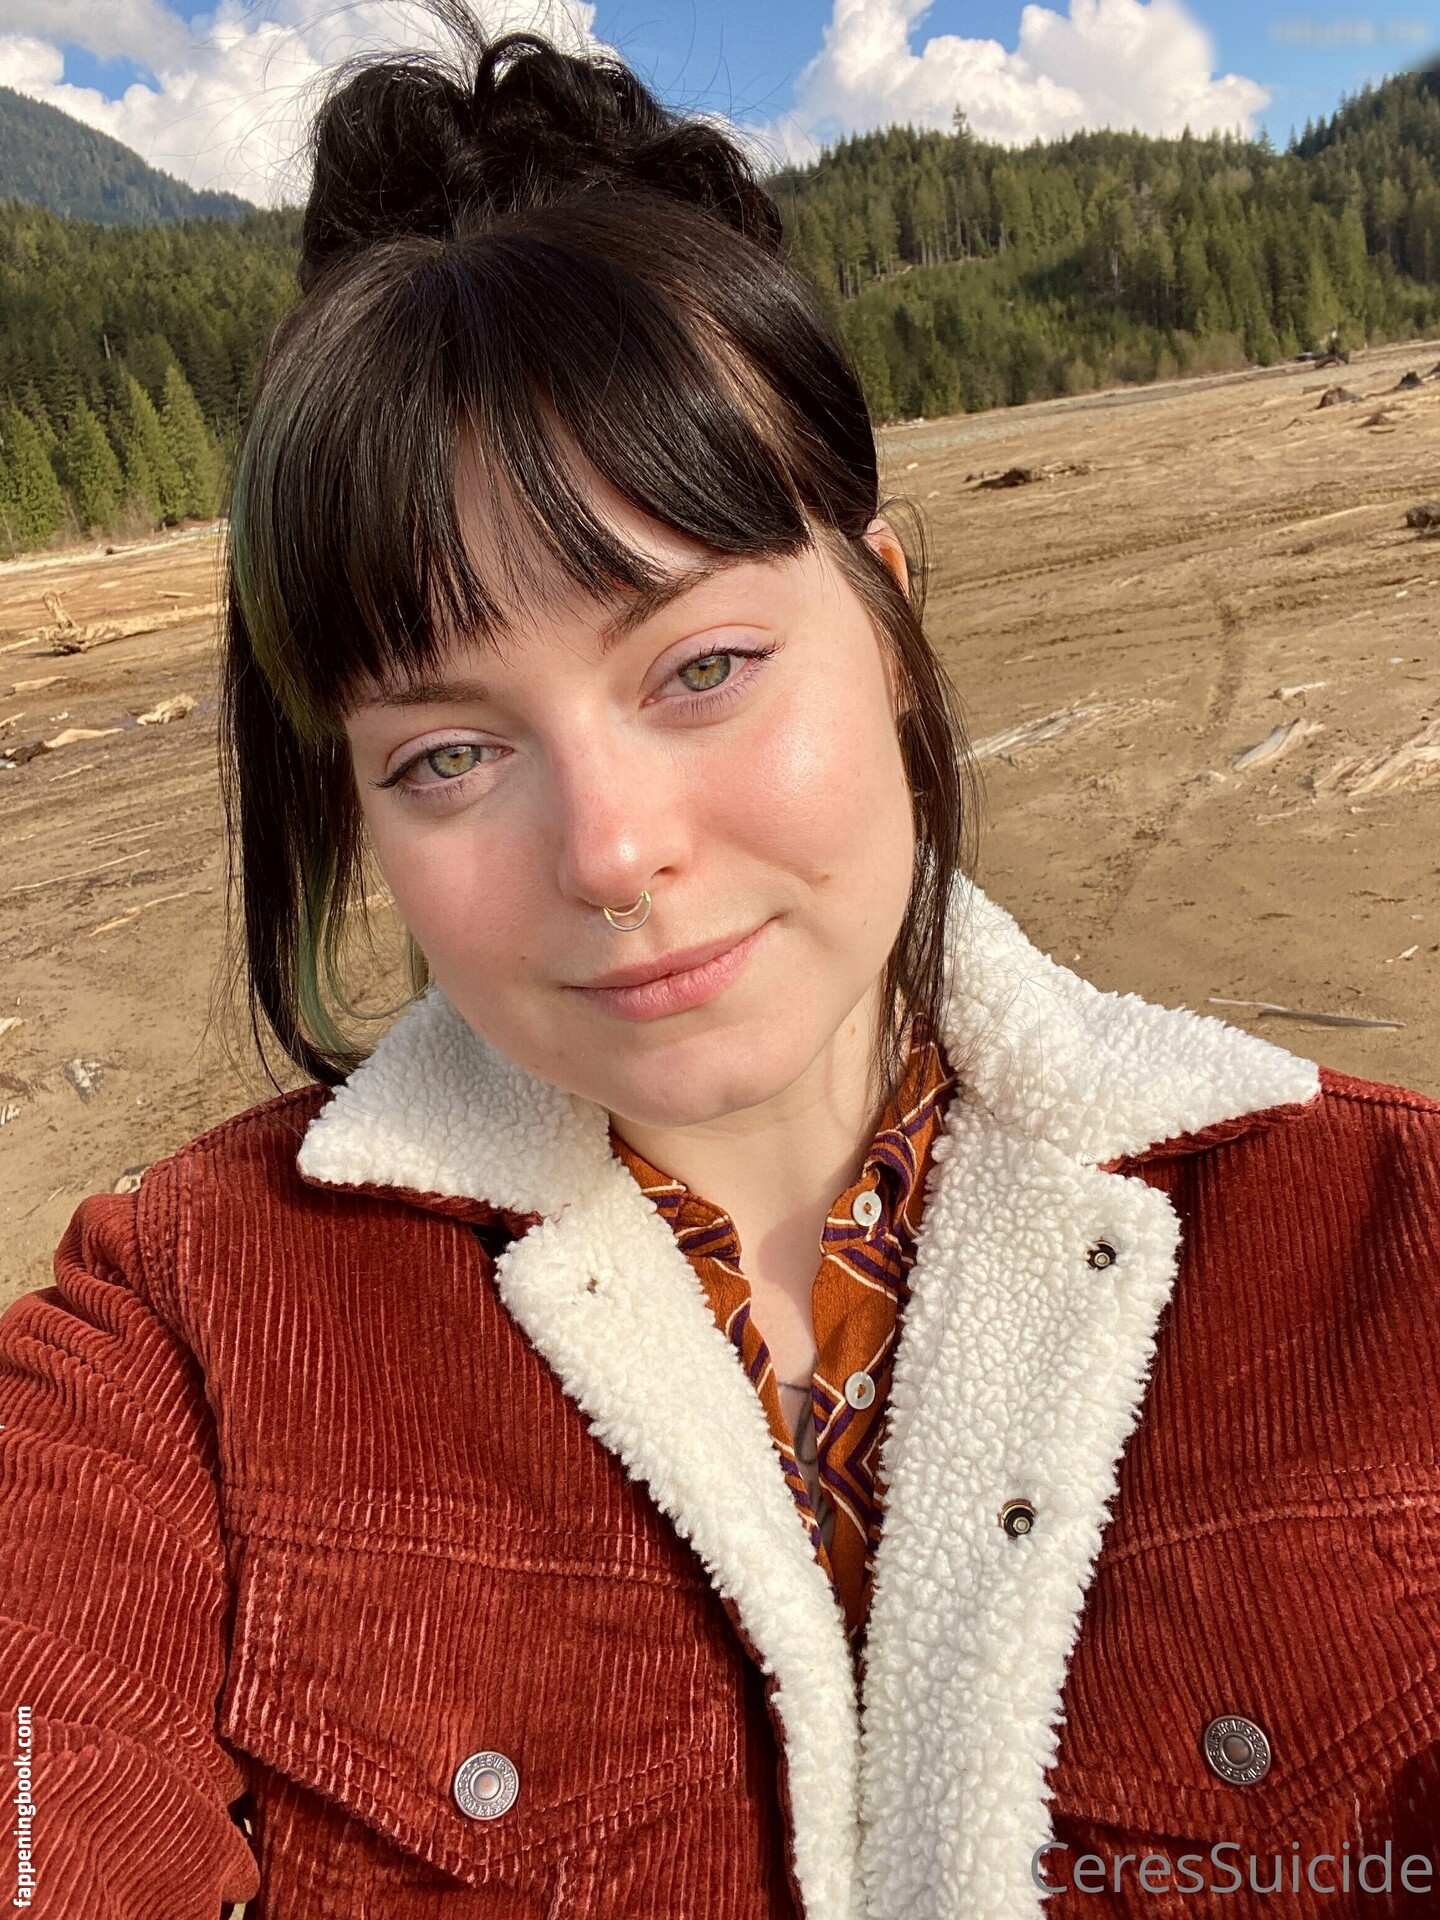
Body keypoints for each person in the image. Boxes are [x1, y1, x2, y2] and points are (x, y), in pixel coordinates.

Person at [2, 11, 1439, 1918]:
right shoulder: (188, 1344)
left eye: (701, 668)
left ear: (890, 625)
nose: (611, 854)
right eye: (448, 757)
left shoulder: (1385, 1249)